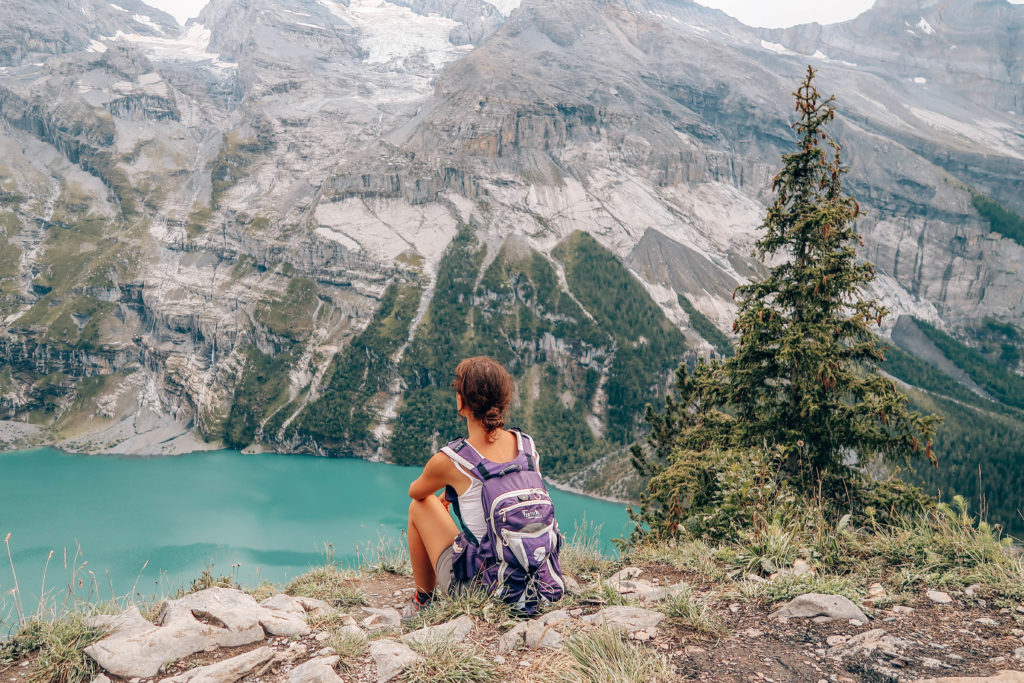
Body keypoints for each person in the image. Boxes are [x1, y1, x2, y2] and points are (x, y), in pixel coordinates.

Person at [403, 356, 564, 619]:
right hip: (536, 581)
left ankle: (423, 599)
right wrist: (454, 491)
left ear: (461, 403)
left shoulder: (450, 461)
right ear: (503, 401)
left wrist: (448, 491)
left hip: (484, 592)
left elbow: (416, 491)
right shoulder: (527, 447)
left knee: (420, 506)